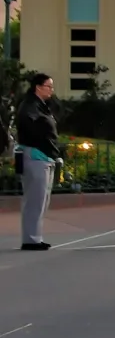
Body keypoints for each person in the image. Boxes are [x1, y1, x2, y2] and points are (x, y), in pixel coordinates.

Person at [15, 70, 60, 250]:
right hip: (35, 156)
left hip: (44, 156)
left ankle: (35, 237)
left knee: (41, 200)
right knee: (35, 200)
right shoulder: (29, 107)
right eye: (48, 86)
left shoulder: (40, 105)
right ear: (38, 87)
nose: (51, 90)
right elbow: (30, 126)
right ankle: (31, 239)